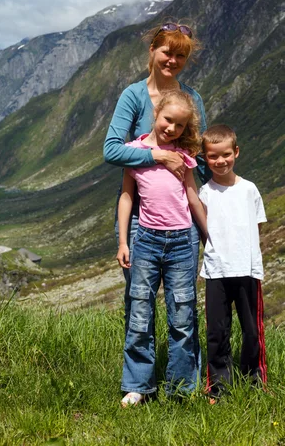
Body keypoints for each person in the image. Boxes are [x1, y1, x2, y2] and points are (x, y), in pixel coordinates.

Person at [103, 21, 210, 365]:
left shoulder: (191, 99)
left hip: (181, 222)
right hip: (137, 220)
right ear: (152, 51)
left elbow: (202, 157)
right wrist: (158, 156)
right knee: (139, 304)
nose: (172, 60)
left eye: (180, 55)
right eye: (167, 51)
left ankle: (182, 380)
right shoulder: (133, 96)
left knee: (182, 304)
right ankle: (139, 380)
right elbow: (111, 150)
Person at [118, 91, 208, 406]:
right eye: (169, 120)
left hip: (183, 241)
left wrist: (209, 237)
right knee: (140, 312)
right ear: (157, 112)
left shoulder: (184, 156)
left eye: (180, 126)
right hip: (145, 239)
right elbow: (127, 197)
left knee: (182, 314)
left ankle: (181, 388)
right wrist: (123, 241)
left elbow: (193, 197)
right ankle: (138, 386)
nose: (172, 128)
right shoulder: (133, 151)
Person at [199, 125, 267, 401]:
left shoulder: (249, 190)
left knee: (252, 331)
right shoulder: (204, 193)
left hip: (248, 270)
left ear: (236, 152)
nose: (220, 161)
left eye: (226, 154)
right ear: (205, 158)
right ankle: (218, 387)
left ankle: (254, 382)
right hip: (216, 271)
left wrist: (252, 258)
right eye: (213, 156)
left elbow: (257, 227)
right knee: (217, 331)